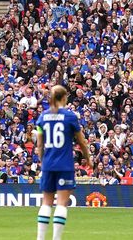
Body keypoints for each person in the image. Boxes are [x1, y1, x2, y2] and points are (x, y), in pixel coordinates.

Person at [34, 84, 90, 240]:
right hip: (65, 164)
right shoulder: (70, 117)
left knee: (46, 203)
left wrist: (42, 161)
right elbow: (81, 142)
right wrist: (88, 159)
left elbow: (39, 144)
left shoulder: (42, 117)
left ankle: (40, 238)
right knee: (61, 203)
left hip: (48, 164)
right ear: (64, 98)